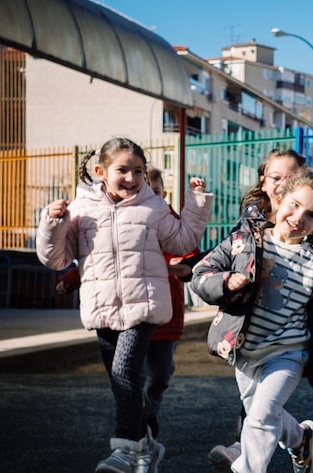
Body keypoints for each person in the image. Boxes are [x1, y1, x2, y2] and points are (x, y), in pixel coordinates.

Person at [36, 137, 212, 473]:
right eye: (123, 170)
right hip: (102, 309)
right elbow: (57, 258)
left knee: (125, 372)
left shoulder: (153, 207)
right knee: (121, 382)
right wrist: (53, 223)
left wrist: (197, 203)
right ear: (101, 171)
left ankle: (125, 449)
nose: (131, 178)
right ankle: (148, 444)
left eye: (138, 171)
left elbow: (184, 240)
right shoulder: (82, 209)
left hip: (144, 305)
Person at [191, 167, 313, 473]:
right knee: (264, 412)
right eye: (294, 205)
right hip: (245, 351)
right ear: (279, 199)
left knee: (260, 417)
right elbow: (201, 274)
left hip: (287, 354)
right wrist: (225, 282)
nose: (298, 218)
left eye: (311, 215)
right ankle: (300, 438)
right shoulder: (245, 242)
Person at [54, 166, 199, 441]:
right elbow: (102, 258)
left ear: (163, 195)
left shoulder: (166, 221)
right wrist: (71, 279)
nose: (151, 196)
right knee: (132, 372)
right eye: (149, 191)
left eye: (156, 192)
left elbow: (187, 250)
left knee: (161, 373)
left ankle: (148, 411)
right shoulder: (127, 221)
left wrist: (188, 267)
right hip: (134, 310)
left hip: (166, 317)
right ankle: (138, 422)